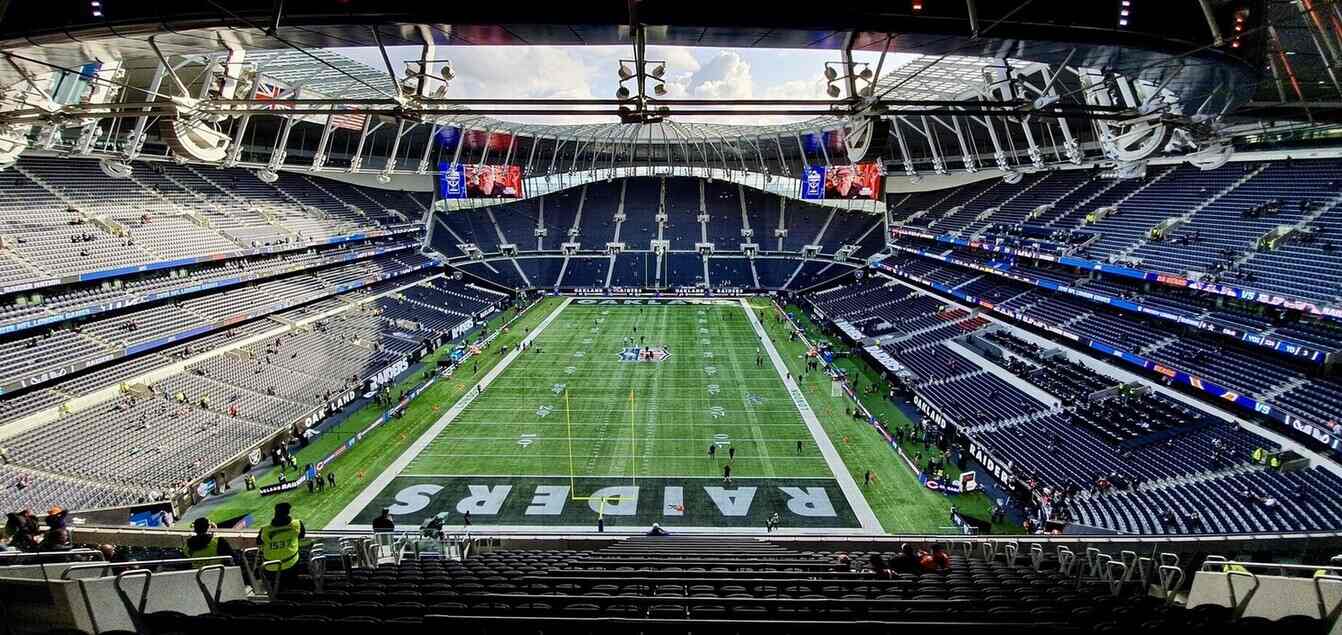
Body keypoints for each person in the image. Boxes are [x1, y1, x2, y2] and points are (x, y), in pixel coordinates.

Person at [257, 503, 305, 591]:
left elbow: (259, 542)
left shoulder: (264, 530)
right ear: (288, 512)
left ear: (275, 513)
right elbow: (301, 536)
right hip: (291, 565)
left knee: (276, 587)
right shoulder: (297, 524)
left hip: (270, 568)